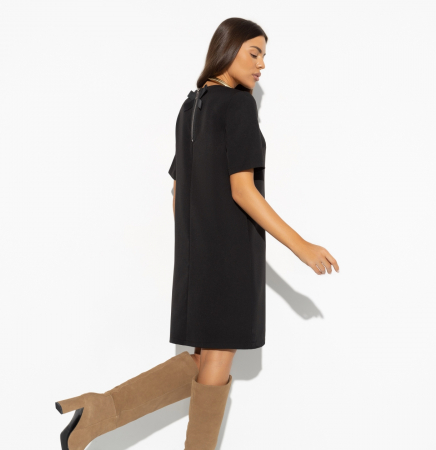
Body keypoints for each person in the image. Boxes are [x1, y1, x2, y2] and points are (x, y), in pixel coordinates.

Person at [54, 17, 339, 450]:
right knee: (216, 366)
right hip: (231, 258)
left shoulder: (190, 107)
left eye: (264, 56)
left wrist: (197, 244)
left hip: (197, 257)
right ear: (227, 49)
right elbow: (242, 190)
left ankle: (99, 410)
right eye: (254, 53)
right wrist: (302, 247)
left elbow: (178, 192)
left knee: (205, 362)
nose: (262, 64)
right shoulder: (238, 105)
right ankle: (103, 412)